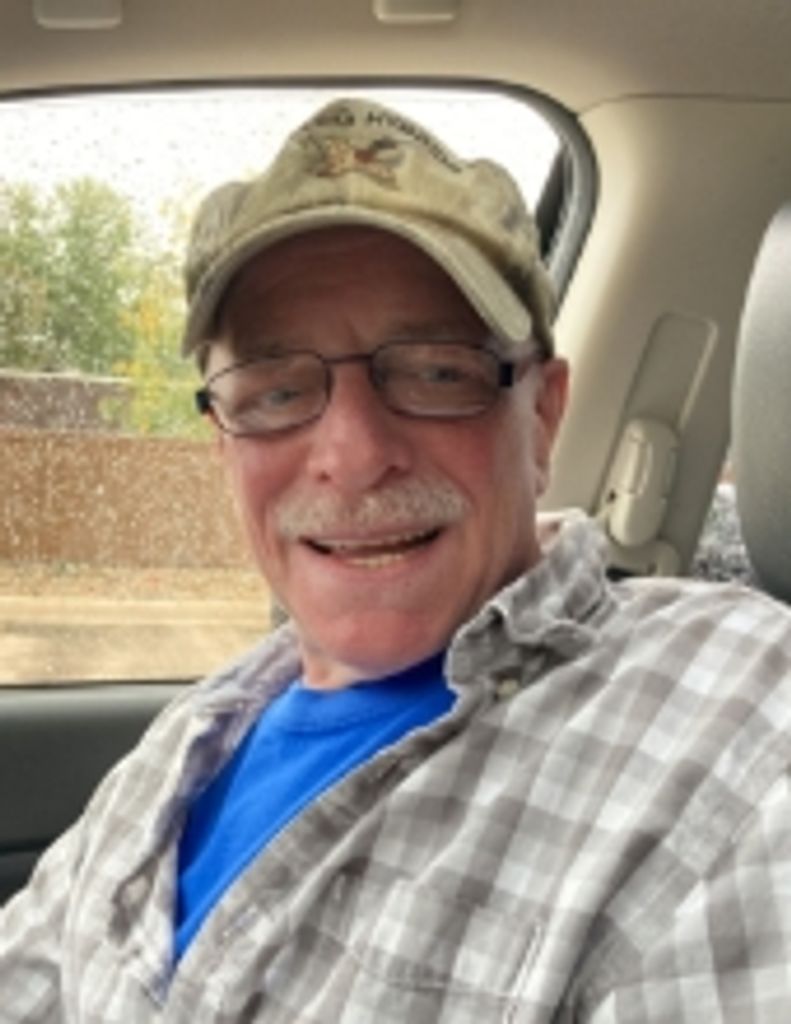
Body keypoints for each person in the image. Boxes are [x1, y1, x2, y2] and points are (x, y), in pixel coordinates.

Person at [2, 97, 791, 1024]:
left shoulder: (740, 720)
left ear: (541, 416)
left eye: (435, 371)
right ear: (224, 440)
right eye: (276, 391)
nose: (350, 455)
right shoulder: (197, 732)